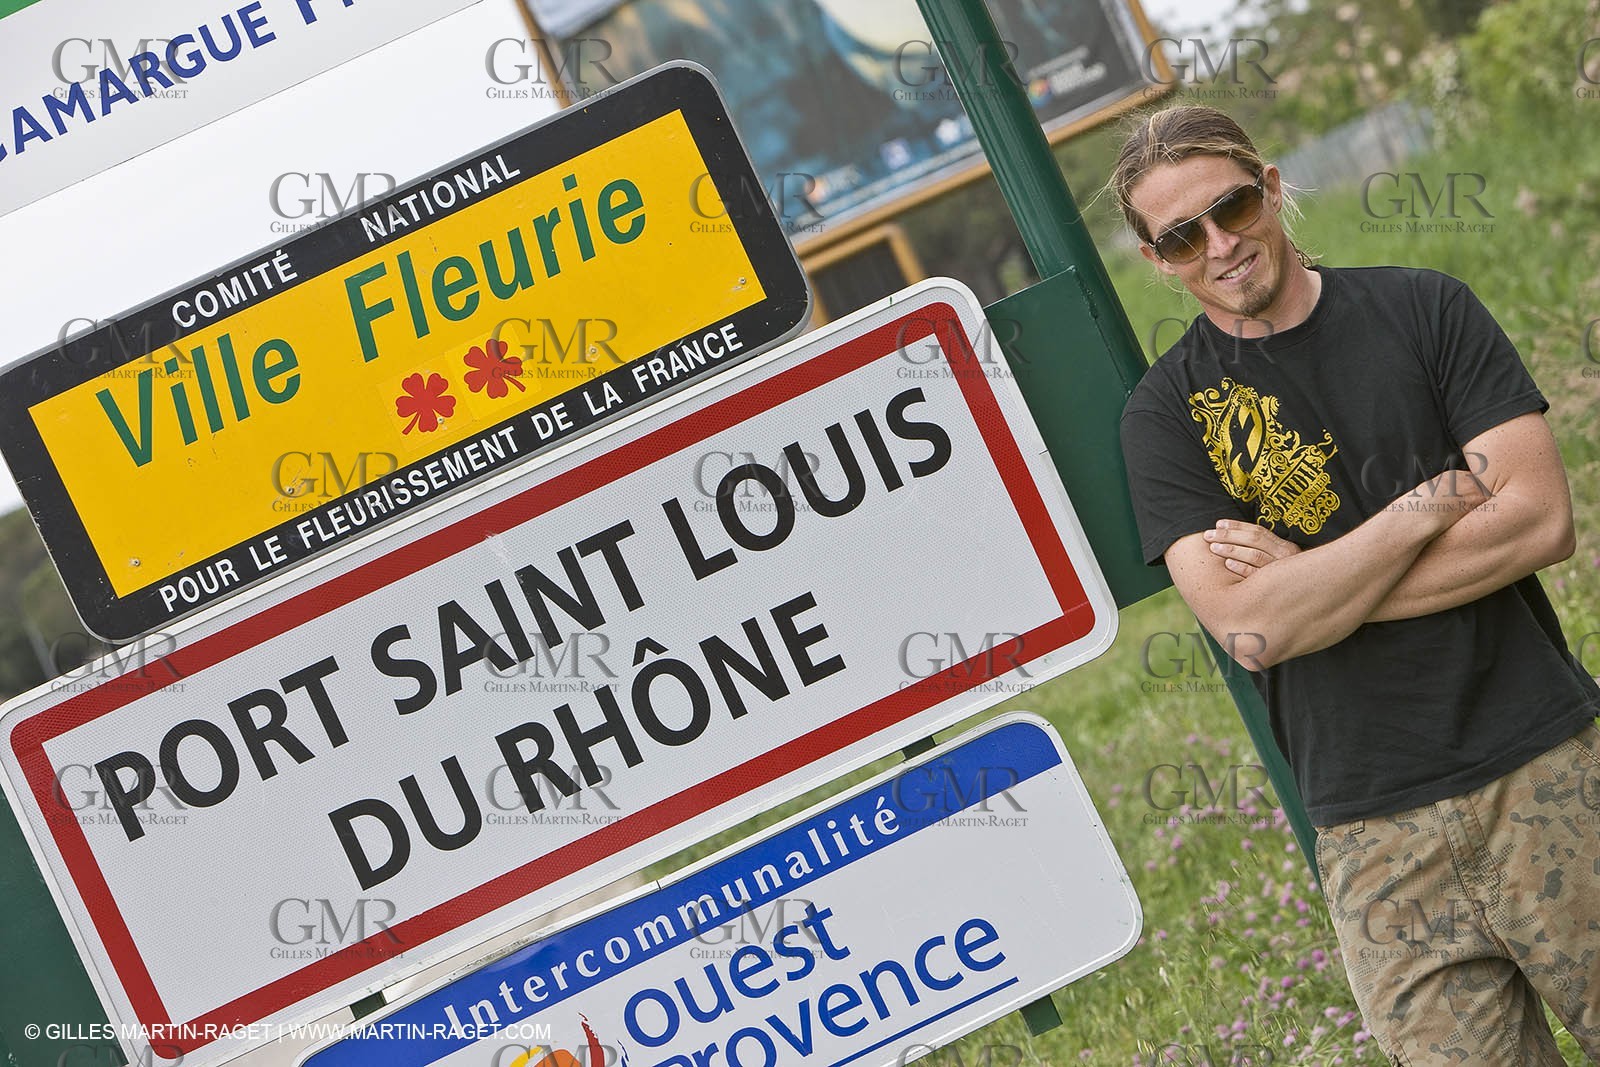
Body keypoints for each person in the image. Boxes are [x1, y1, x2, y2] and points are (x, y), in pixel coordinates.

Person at [1112, 104, 1600, 1063]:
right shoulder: (1163, 418)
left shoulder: (1426, 308)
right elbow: (1251, 630)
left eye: (1232, 207)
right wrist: (1422, 508)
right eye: (1182, 236)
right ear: (1156, 260)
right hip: (1373, 837)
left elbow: (1540, 520)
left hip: (1545, 768)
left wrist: (1309, 585)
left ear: (1271, 188)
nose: (1220, 245)